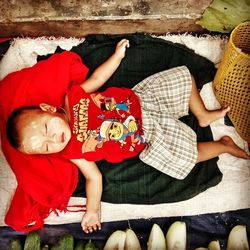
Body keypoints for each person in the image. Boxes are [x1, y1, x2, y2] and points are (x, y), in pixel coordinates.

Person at [6, 39, 250, 233]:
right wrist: (92, 210)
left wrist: (116, 57)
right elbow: (94, 178)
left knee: (184, 80)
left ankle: (203, 115)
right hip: (148, 137)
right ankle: (223, 145)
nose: (54, 140)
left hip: (144, 100)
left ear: (48, 109)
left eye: (48, 130)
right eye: (46, 148)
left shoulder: (73, 98)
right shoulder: (72, 152)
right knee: (188, 156)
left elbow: (98, 78)